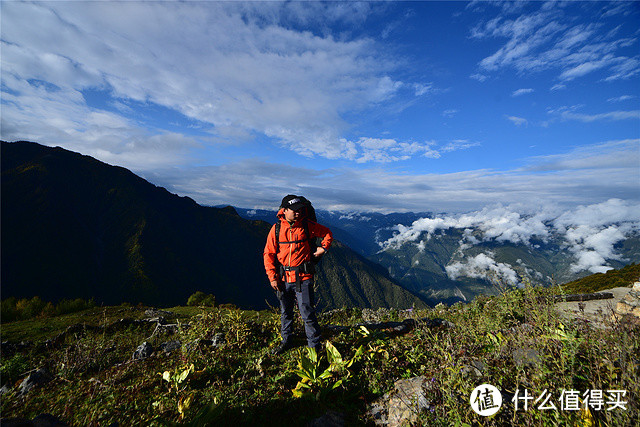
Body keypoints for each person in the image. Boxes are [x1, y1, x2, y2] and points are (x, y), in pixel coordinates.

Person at [263, 195, 333, 355]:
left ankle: (314, 348)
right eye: (294, 210)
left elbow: (328, 234)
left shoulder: (308, 226)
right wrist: (272, 277)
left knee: (307, 312)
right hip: (283, 278)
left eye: (300, 210)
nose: (298, 213)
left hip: (303, 277)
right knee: (285, 311)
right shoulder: (276, 229)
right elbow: (268, 254)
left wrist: (324, 248)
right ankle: (286, 341)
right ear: (284, 211)